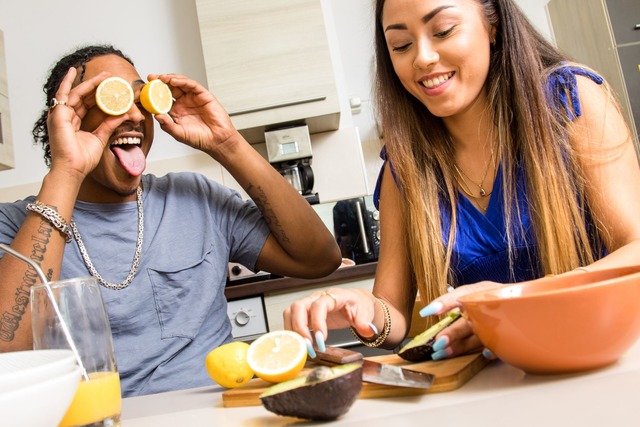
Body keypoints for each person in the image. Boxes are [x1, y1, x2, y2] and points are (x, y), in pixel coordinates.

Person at [285, 0, 640, 361]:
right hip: (495, 382)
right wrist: (361, 307)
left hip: (601, 358)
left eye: (443, 31)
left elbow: (636, 248)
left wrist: (516, 299)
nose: (422, 57)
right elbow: (394, 314)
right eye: (401, 45)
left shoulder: (569, 100)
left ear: (494, 24)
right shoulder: (404, 166)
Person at [0, 44, 342, 396]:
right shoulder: (13, 227)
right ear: (67, 119)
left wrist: (227, 143)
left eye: (140, 100)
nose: (133, 115)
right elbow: (6, 354)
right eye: (110, 100)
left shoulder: (196, 198)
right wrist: (66, 170)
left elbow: (319, 259)